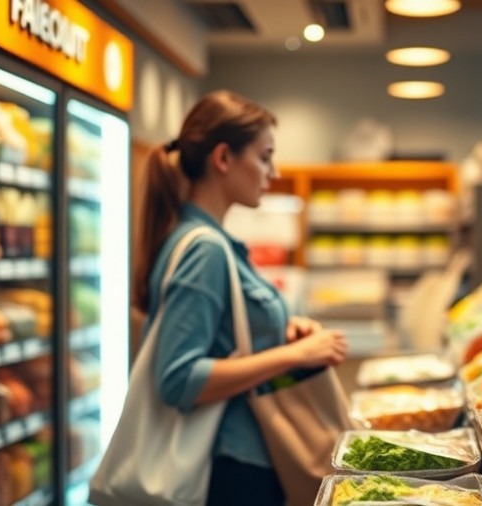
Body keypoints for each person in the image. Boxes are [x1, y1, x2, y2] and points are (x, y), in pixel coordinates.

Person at [132, 90, 349, 506]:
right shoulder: (205, 249)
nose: (273, 170)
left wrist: (281, 333)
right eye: (265, 156)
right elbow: (177, 379)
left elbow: (221, 339)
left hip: (241, 461)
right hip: (230, 469)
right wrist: (296, 356)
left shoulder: (210, 242)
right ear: (223, 159)